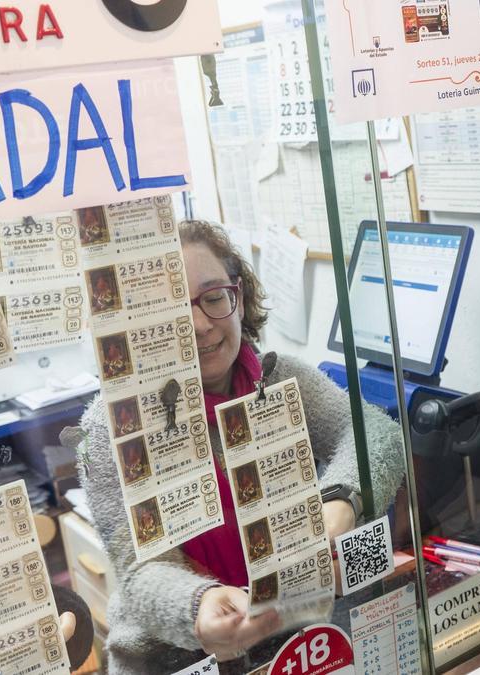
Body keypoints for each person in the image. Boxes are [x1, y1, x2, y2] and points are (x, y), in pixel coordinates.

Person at [78, 220, 406, 673]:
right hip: (179, 658)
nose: (198, 324)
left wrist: (339, 502)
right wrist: (198, 604)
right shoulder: (108, 426)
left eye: (213, 298)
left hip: (311, 642)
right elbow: (137, 568)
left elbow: (377, 434)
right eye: (170, 310)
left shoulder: (279, 377)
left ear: (239, 297)